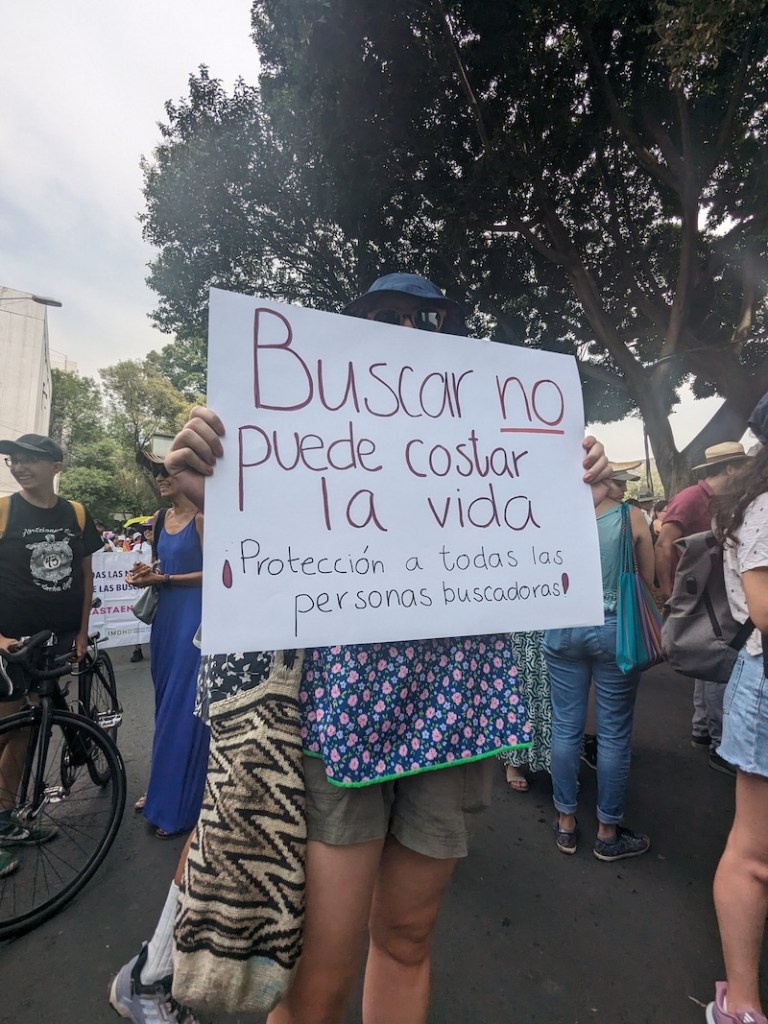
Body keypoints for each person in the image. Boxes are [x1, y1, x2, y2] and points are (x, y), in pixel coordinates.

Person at [109, 273, 611, 1024]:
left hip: (457, 711)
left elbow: (532, 529)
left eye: (422, 319)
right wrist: (217, 491)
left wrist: (575, 483)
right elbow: (251, 574)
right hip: (339, 719)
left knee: (407, 939)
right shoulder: (313, 430)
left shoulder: (486, 429)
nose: (403, 330)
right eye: (383, 318)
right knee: (318, 975)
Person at [0, 433, 103, 879]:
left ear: (56, 466)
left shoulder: (76, 514)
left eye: (30, 460)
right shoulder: (4, 510)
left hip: (57, 639)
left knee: (27, 730)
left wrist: (81, 633)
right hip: (11, 641)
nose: (19, 467)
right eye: (14, 460)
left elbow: (85, 575)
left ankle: (7, 820)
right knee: (6, 728)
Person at [545, 470, 655, 861]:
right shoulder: (632, 517)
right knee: (613, 734)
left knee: (565, 727)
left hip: (563, 628)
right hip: (615, 631)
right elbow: (650, 576)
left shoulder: (553, 515)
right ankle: (608, 831)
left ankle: (566, 823)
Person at [705, 440, 768, 1024]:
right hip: (762, 673)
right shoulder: (762, 506)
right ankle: (741, 1006)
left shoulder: (741, 504)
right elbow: (763, 608)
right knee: (754, 853)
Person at [655, 442, 750, 773]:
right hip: (698, 595)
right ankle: (717, 742)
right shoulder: (691, 498)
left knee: (706, 656)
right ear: (730, 468)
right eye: (743, 466)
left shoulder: (722, 501)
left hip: (714, 593)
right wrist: (670, 592)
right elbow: (664, 542)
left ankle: (701, 730)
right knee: (717, 664)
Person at [128, 456, 207, 837]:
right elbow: (160, 563)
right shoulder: (159, 519)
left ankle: (178, 805)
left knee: (184, 706)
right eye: (155, 472)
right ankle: (162, 787)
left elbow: (219, 572)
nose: (159, 478)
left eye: (166, 471)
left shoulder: (205, 517)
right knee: (165, 703)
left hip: (196, 619)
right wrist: (147, 574)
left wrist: (166, 578)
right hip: (166, 620)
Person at [499, 632, 551, 791]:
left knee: (555, 692)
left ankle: (562, 766)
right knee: (517, 686)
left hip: (553, 622)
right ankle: (513, 760)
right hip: (518, 623)